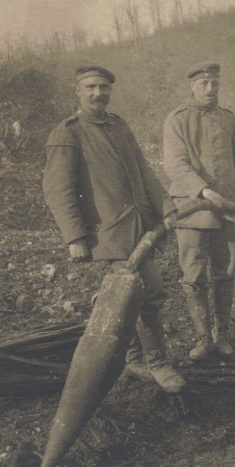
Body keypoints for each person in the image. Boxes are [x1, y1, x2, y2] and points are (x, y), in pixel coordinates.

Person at [43, 65, 185, 393]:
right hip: (107, 232)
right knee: (149, 293)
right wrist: (74, 236)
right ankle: (158, 364)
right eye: (91, 87)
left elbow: (144, 170)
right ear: (77, 91)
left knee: (129, 298)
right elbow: (57, 189)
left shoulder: (118, 125)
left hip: (139, 226)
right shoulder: (68, 133)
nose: (98, 93)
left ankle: (134, 361)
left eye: (104, 87)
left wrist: (166, 206)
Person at [163, 62, 235, 361]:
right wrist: (204, 191)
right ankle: (202, 338)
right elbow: (175, 164)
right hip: (193, 207)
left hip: (228, 209)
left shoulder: (229, 119)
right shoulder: (177, 119)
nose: (210, 89)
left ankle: (223, 336)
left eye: (214, 83)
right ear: (192, 86)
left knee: (225, 273)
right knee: (194, 276)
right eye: (204, 83)